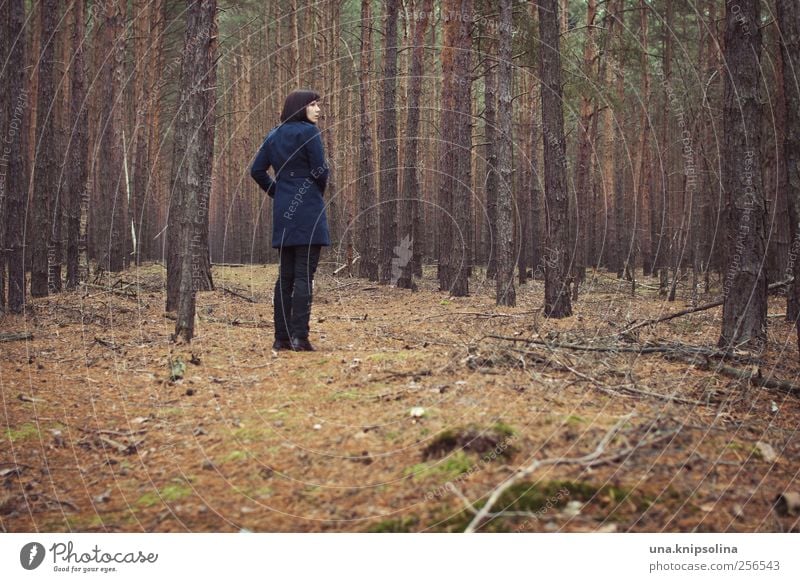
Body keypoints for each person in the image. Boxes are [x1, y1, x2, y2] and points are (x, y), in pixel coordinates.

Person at [250, 90, 330, 351]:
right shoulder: (309, 133)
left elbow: (257, 171)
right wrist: (316, 189)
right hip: (308, 209)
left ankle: (281, 338)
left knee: (285, 277)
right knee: (304, 275)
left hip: (284, 209)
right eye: (313, 105)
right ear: (300, 107)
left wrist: (278, 192)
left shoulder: (274, 134)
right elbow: (320, 170)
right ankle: (300, 337)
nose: (318, 110)